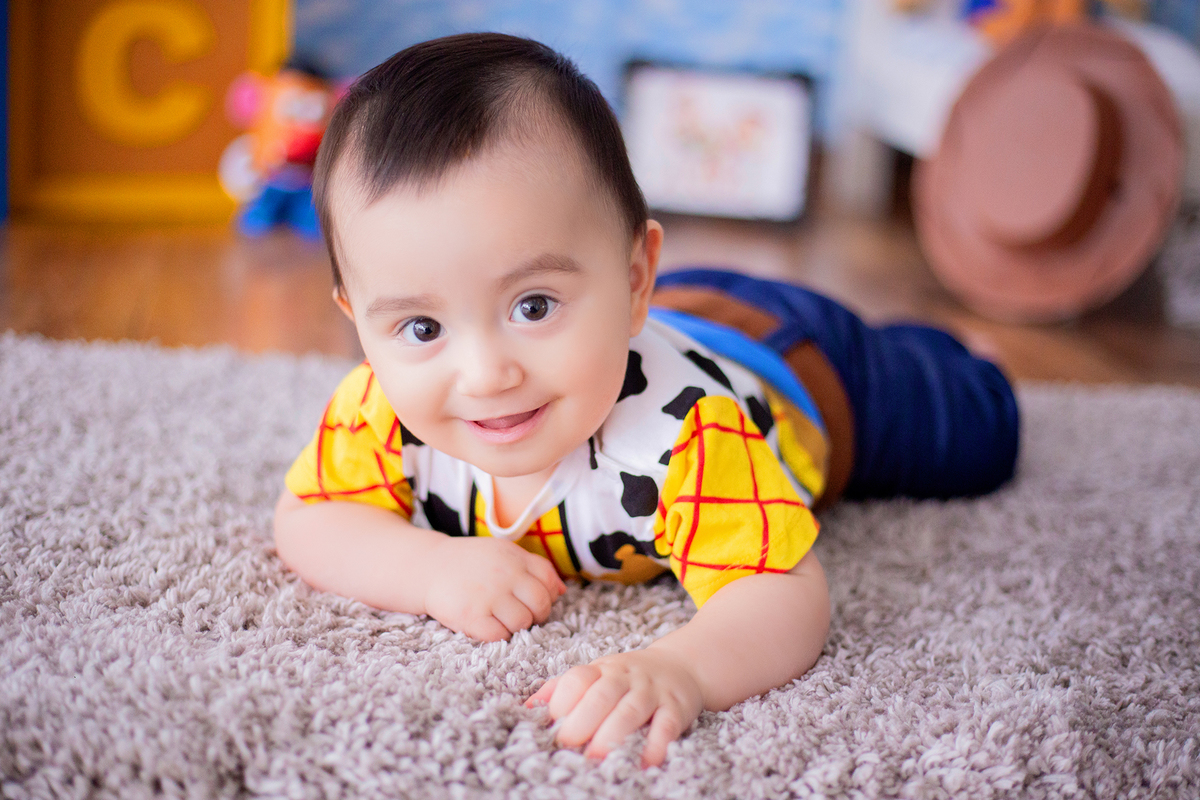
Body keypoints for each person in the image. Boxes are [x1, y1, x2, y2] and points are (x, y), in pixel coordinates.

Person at [273, 33, 1020, 768]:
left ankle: (953, 351)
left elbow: (783, 591)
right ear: (359, 321)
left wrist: (684, 670)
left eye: (533, 306)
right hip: (672, 316)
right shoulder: (379, 412)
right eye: (422, 326)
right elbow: (308, 516)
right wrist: (429, 569)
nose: (486, 374)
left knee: (978, 434)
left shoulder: (688, 433)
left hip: (808, 368)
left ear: (635, 280)